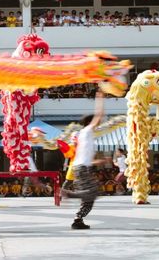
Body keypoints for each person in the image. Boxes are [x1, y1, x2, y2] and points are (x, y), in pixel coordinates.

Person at [61, 92, 105, 230]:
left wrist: (100, 161)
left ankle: (78, 220)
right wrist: (100, 99)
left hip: (81, 168)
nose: (98, 124)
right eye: (96, 123)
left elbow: (87, 160)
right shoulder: (87, 131)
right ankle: (68, 193)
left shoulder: (86, 136)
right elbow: (99, 114)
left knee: (90, 198)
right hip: (81, 169)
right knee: (93, 192)